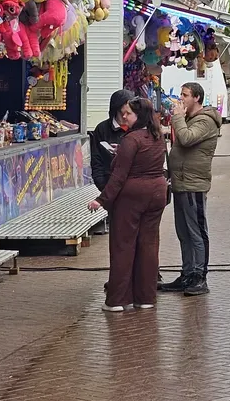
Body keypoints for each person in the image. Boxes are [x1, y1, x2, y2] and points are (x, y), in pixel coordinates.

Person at [89, 97, 168, 311]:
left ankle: (118, 300)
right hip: (157, 192)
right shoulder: (157, 135)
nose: (125, 116)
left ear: (138, 116)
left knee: (123, 245)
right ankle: (146, 298)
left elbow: (119, 176)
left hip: (132, 196)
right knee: (149, 245)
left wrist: (101, 199)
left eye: (129, 113)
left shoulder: (131, 139)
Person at [159, 82, 222, 296]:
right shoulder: (189, 119)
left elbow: (186, 139)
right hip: (181, 182)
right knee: (183, 231)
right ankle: (186, 273)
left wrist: (176, 117)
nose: (181, 99)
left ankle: (199, 276)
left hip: (193, 183)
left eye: (185, 95)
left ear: (196, 98)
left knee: (196, 231)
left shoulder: (205, 121)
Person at [90, 90, 137, 191]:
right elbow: (96, 159)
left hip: (133, 187)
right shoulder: (102, 129)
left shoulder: (136, 127)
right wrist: (102, 185)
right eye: (128, 103)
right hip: (109, 184)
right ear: (119, 105)